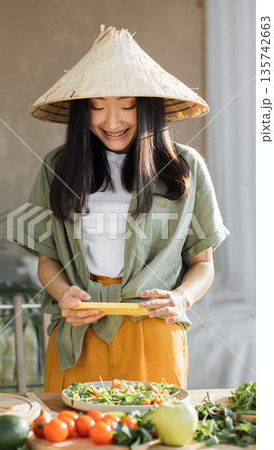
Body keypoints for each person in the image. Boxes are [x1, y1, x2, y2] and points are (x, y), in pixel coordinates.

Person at [14, 25, 229, 392]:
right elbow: (47, 259)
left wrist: (182, 297)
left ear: (148, 109)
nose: (111, 122)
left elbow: (203, 264)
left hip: (152, 330)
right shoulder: (58, 165)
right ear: (84, 113)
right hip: (80, 328)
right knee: (73, 441)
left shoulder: (185, 167)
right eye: (97, 108)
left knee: (151, 440)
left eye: (127, 107)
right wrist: (63, 293)